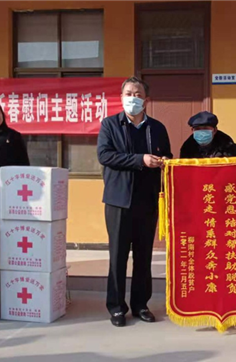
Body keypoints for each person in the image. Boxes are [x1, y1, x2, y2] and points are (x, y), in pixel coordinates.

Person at [97, 76, 172, 327]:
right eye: (128, 94)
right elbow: (105, 155)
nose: (133, 98)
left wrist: (164, 161)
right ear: (121, 98)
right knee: (118, 256)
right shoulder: (110, 125)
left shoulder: (157, 128)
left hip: (147, 201)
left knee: (143, 256)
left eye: (138, 94)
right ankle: (117, 307)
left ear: (146, 100)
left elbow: (167, 155)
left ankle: (141, 304)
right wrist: (141, 160)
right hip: (118, 200)